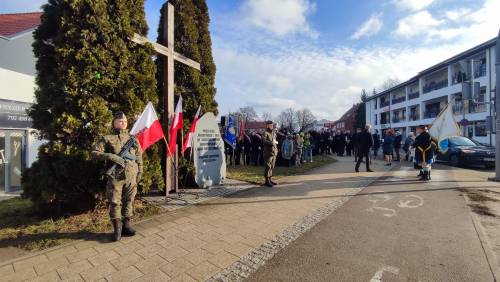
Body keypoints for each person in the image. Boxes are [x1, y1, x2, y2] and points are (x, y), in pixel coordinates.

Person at [92, 111, 142, 242]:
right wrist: (111, 156)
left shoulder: (133, 138)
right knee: (115, 202)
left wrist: (140, 171)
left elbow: (139, 156)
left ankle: (127, 225)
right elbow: (94, 153)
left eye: (125, 121)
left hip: (131, 175)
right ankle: (117, 229)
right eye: (120, 121)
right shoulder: (107, 138)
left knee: (129, 200)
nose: (123, 123)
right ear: (114, 122)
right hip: (116, 176)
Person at [263, 121, 278, 187]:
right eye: (270, 125)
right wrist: (271, 143)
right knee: (268, 167)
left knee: (272, 167)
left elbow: (275, 142)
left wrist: (276, 150)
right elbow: (263, 140)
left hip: (274, 152)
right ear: (267, 126)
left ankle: (270, 179)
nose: (272, 126)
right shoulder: (265, 132)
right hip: (268, 153)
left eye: (272, 125)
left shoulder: (273, 133)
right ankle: (267, 181)